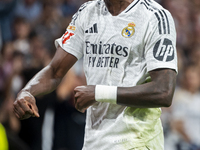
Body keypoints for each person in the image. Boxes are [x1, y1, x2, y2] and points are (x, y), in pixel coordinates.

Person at [13, 0, 177, 149]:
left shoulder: (154, 16)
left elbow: (163, 91)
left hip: (137, 142)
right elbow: (55, 71)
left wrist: (98, 93)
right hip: (94, 142)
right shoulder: (87, 12)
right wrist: (27, 92)